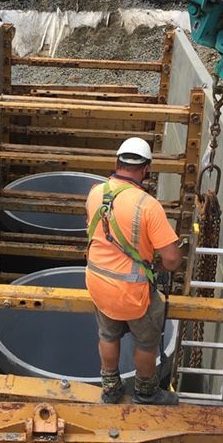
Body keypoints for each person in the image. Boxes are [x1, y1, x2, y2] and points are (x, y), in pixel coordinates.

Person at [86, 137, 181, 405]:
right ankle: (146, 391)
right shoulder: (148, 205)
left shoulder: (95, 192)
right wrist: (158, 265)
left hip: (99, 284)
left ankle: (111, 388)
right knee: (147, 342)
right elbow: (172, 259)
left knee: (107, 334)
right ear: (146, 168)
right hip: (132, 291)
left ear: (117, 162)